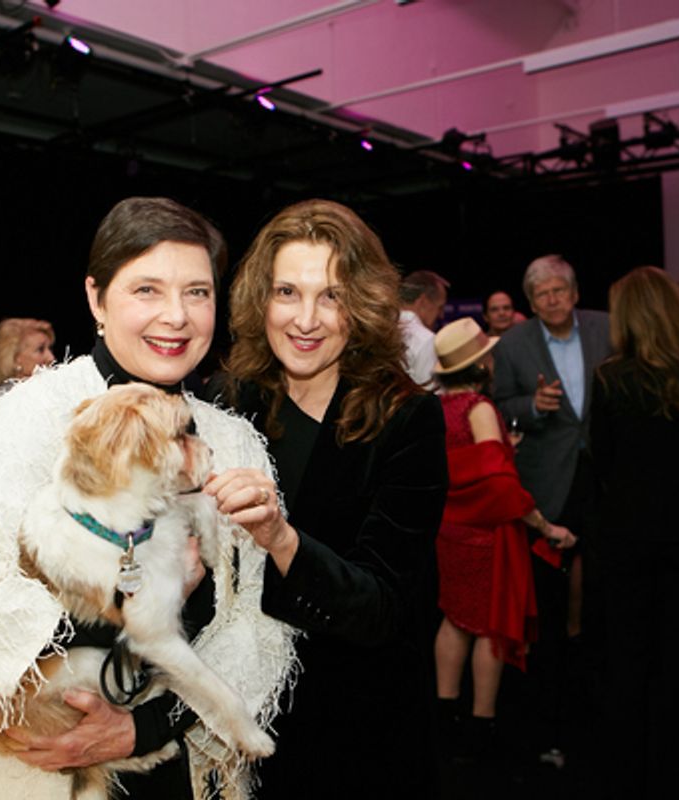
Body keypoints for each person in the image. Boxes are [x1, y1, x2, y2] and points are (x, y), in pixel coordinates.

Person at [0, 198, 297, 800]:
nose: (176, 316)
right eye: (147, 290)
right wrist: (123, 607)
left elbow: (259, 622)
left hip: (176, 765)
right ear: (96, 299)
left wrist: (144, 727)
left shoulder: (231, 439)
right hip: (45, 764)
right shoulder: (30, 417)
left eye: (197, 292)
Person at [204, 199, 448, 797]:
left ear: (360, 304)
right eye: (287, 292)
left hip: (358, 727)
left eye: (331, 296)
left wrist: (281, 538)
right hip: (240, 720)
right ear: (261, 298)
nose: (306, 319)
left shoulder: (406, 418)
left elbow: (384, 607)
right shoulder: (230, 398)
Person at [590, 266, 679, 798]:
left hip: (626, 543)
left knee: (628, 665)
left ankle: (630, 775)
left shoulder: (610, 378)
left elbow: (602, 464)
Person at [430, 317, 576, 760]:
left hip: (449, 533)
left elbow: (457, 466)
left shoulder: (438, 407)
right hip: (486, 535)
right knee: (491, 628)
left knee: (455, 619)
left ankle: (445, 715)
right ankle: (482, 723)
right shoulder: (479, 407)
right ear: (480, 365)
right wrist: (545, 526)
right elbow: (498, 483)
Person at [490, 254, 611, 760]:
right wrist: (529, 409)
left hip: (604, 470)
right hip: (548, 477)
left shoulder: (608, 328)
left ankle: (599, 669)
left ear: (575, 291)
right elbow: (498, 404)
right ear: (532, 303)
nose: (552, 299)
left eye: (559, 290)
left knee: (605, 571)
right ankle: (554, 682)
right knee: (551, 587)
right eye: (541, 294)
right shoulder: (514, 343)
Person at [398, 269, 450, 385]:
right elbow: (431, 395)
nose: (441, 315)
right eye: (440, 307)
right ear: (423, 301)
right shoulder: (425, 340)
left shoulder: (377, 330)